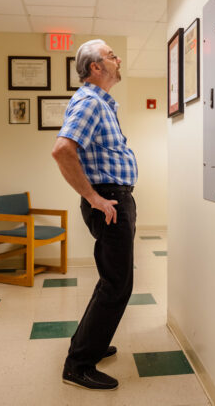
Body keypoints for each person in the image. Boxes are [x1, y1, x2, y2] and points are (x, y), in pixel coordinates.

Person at [52, 39, 138, 391]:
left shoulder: (102, 103)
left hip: (115, 201)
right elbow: (62, 150)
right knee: (116, 284)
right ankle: (79, 364)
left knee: (112, 281)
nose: (118, 59)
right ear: (95, 68)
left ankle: (91, 346)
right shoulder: (89, 101)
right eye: (111, 55)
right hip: (110, 203)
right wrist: (94, 197)